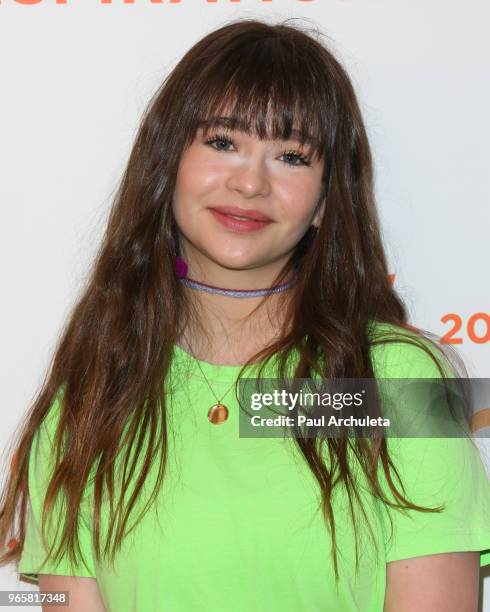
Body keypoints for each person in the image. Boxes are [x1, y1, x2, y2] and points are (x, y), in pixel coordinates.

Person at [1, 17, 489, 612]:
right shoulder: (96, 394)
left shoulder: (393, 383)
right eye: (223, 142)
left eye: (290, 156)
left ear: (325, 202)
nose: (251, 183)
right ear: (168, 164)